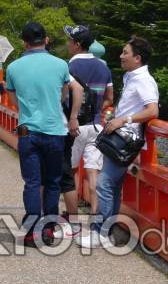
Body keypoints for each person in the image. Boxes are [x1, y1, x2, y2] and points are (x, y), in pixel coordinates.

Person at [5, 21, 82, 248]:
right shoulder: (60, 65)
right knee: (52, 182)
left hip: (28, 130)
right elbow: (64, 95)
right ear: (46, 40)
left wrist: (27, 110)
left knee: (31, 183)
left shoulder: (13, 67)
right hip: (55, 130)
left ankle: (30, 231)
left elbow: (12, 98)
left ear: (24, 42)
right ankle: (48, 230)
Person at [81, 36, 158, 249]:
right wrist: (117, 113)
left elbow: (153, 110)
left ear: (138, 58)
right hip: (117, 138)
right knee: (111, 186)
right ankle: (108, 232)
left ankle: (100, 233)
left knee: (104, 183)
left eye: (125, 53)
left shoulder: (143, 80)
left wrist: (125, 119)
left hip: (124, 141)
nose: (121, 56)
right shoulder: (131, 77)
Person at [64, 25, 113, 220]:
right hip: (96, 126)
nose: (68, 44)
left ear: (77, 44)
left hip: (74, 126)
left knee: (72, 172)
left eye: (69, 41)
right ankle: (95, 216)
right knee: (93, 173)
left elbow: (63, 97)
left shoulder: (69, 67)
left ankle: (72, 217)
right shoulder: (103, 67)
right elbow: (109, 97)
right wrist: (97, 108)